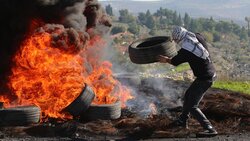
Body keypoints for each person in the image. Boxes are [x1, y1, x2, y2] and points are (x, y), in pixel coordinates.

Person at [157, 26, 218, 136]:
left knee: (193, 105)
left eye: (176, 40)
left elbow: (174, 62)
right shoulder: (196, 35)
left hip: (205, 78)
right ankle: (182, 120)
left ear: (179, 39)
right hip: (209, 73)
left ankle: (210, 129)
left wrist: (165, 60)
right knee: (188, 95)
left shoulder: (186, 50)